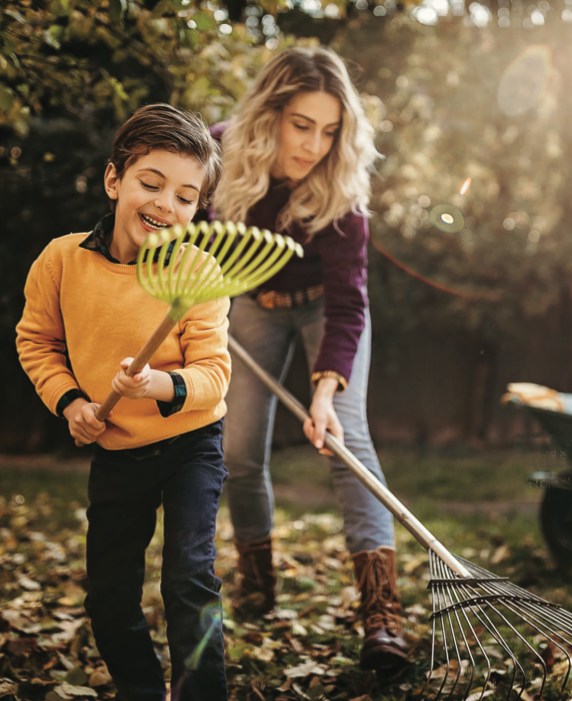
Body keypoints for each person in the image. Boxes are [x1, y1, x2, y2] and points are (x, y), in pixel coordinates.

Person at [16, 104, 228, 701]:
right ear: (115, 180)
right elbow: (37, 342)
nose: (166, 206)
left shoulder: (197, 273)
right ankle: (140, 689)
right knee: (108, 595)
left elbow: (214, 375)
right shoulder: (61, 262)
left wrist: (157, 385)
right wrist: (71, 402)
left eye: (186, 197)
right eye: (151, 184)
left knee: (190, 580)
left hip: (191, 444)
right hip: (116, 448)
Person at [211, 46, 409, 672]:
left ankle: (382, 617)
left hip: (326, 304)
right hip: (252, 301)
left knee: (347, 439)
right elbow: (179, 229)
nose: (314, 146)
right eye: (302, 125)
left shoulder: (341, 190)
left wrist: (325, 392)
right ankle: (258, 586)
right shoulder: (217, 152)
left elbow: (351, 303)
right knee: (240, 451)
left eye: (329, 131)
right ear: (270, 114)